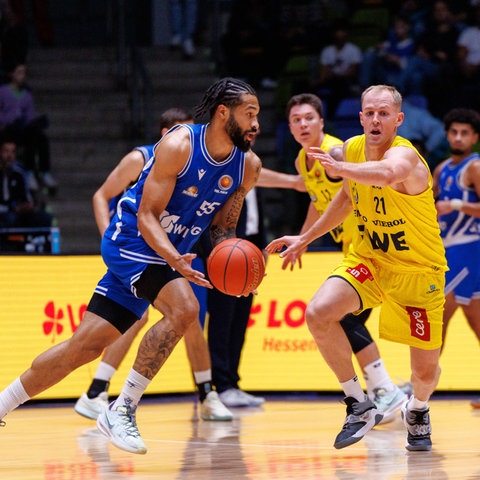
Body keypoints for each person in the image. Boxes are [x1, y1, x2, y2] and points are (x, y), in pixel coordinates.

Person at [0, 77, 261, 455]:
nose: (256, 124)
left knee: (83, 349)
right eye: (249, 114)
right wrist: (174, 260)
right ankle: (121, 409)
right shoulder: (179, 145)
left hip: (168, 253)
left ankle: (3, 403)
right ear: (224, 113)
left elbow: (223, 230)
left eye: (258, 115)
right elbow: (147, 215)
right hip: (131, 243)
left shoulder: (247, 166)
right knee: (185, 308)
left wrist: (239, 272)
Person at [266, 85, 447, 451]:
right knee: (318, 313)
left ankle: (418, 407)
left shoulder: (405, 157)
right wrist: (305, 239)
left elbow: (385, 173)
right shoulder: (350, 148)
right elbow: (346, 197)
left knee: (424, 373)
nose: (376, 119)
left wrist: (339, 164)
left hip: (418, 271)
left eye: (384, 113)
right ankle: (357, 403)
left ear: (398, 120)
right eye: (370, 113)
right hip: (371, 260)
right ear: (361, 117)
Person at [74, 107, 233, 423]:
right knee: (138, 318)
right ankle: (98, 391)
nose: (193, 140)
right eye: (184, 132)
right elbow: (101, 195)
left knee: (190, 320)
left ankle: (206, 394)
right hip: (138, 250)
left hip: (178, 251)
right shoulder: (140, 158)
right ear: (166, 135)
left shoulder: (197, 161)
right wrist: (110, 235)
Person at [269, 92, 408, 423]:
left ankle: (386, 391)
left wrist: (341, 155)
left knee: (343, 318)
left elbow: (354, 172)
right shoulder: (302, 161)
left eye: (308, 119)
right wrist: (304, 239)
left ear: (321, 122)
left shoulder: (336, 151)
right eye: (296, 120)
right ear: (290, 128)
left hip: (374, 248)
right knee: (341, 319)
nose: (302, 125)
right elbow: (318, 200)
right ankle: (382, 391)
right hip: (350, 251)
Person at [200, 187, 267, 408]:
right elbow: (214, 224)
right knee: (222, 322)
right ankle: (220, 385)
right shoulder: (227, 179)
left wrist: (261, 249)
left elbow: (255, 221)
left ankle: (233, 384)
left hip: (249, 255)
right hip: (226, 258)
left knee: (239, 323)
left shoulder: (254, 175)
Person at [431, 108, 480, 408]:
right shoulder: (440, 169)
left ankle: (419, 389)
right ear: (447, 134)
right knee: (476, 322)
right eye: (454, 132)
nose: (458, 137)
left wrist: (458, 204)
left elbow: (453, 206)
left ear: (475, 138)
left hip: (470, 247)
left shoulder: (475, 166)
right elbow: (434, 211)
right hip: (447, 249)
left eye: (465, 133)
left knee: (439, 316)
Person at [0, 63, 57, 193]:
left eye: (24, 73)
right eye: (19, 72)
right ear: (11, 74)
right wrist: (9, 118)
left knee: (39, 137)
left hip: (23, 129)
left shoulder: (27, 95)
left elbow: (30, 115)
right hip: (7, 130)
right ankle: (29, 172)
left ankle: (42, 172)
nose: (22, 76)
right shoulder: (2, 92)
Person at [0, 135, 52, 229]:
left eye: (13, 152)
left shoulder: (19, 173)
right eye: (6, 151)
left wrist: (27, 206)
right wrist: (11, 209)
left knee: (44, 217)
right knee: (9, 218)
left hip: (16, 213)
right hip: (4, 214)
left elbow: (26, 199)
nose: (9, 156)